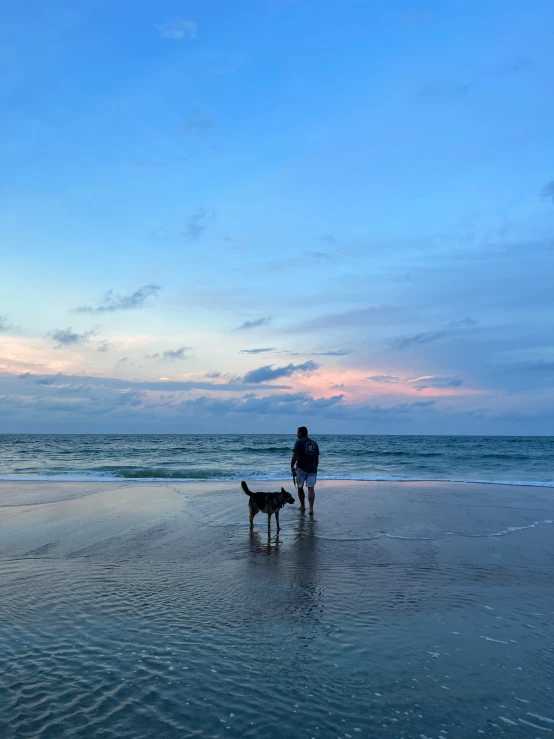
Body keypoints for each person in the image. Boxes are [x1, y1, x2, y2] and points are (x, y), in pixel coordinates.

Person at [290, 426, 319, 515]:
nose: (297, 434)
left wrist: (291, 466)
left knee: (300, 487)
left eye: (298, 432)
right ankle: (311, 509)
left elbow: (295, 455)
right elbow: (316, 458)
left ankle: (302, 506)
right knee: (311, 489)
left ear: (302, 433)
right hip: (312, 469)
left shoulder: (299, 442)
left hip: (301, 468)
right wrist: (315, 467)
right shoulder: (314, 443)